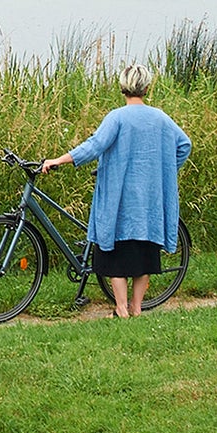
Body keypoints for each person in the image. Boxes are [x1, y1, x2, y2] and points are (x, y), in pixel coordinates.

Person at [41, 62, 191, 319]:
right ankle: (136, 308)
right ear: (146, 88)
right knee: (145, 256)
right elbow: (184, 145)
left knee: (115, 254)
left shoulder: (117, 118)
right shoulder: (161, 118)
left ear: (123, 88)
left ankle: (121, 308)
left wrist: (59, 160)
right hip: (149, 202)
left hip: (120, 199)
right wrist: (162, 169)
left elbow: (94, 146)